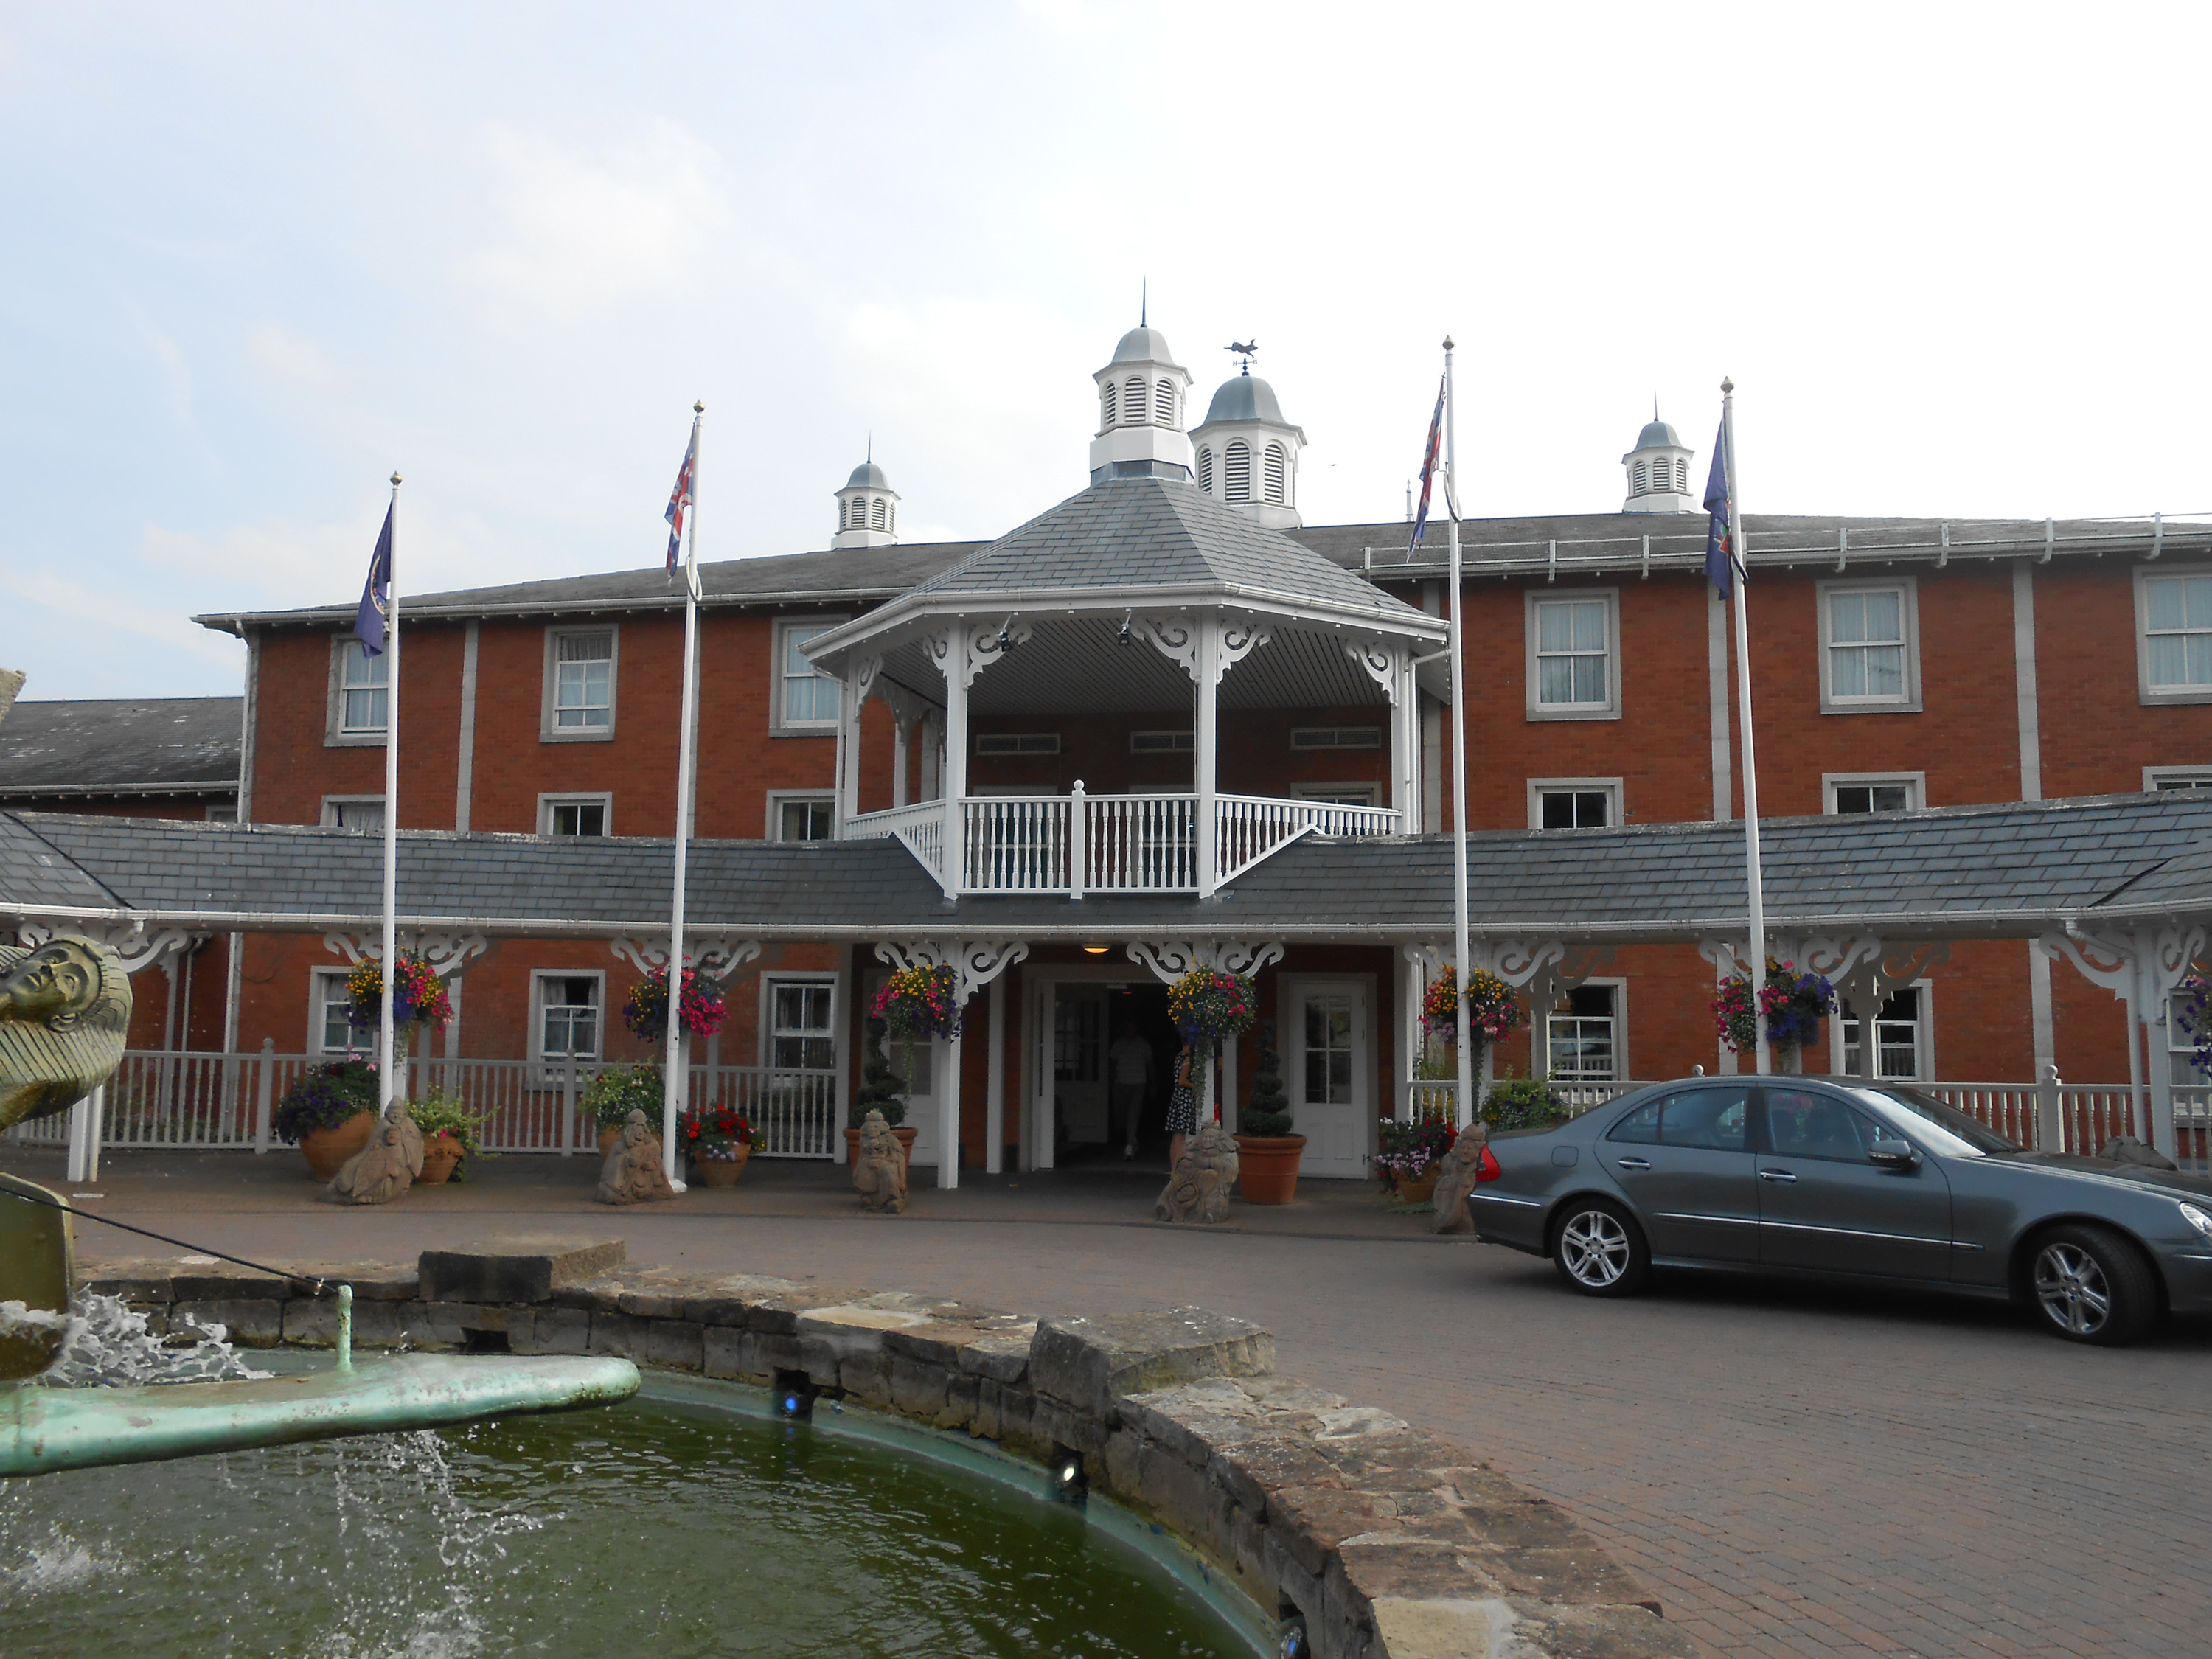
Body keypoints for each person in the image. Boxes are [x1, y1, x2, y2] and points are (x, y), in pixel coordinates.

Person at [1105, 1020, 1154, 1161]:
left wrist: (1153, 1083)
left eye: (1133, 1027)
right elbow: (1112, 1064)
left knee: (1134, 1114)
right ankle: (1127, 1138)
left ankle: (1130, 1144)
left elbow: (1150, 1064)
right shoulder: (1118, 1044)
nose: (1130, 1030)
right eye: (1128, 1027)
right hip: (1120, 1084)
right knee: (1119, 1114)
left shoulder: (1143, 1045)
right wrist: (1112, 1081)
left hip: (1138, 1084)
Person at [1164, 1043, 1198, 1169]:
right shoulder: (1187, 1059)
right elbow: (1182, 1081)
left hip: (1178, 1097)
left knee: (1176, 1135)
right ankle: (1178, 1167)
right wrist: (1196, 1087)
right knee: (1180, 1135)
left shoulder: (1179, 1057)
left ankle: (1174, 1166)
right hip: (1184, 1099)